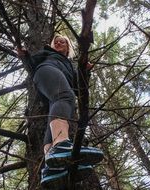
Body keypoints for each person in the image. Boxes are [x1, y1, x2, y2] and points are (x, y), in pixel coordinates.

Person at [17, 34, 103, 188]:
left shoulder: (69, 65)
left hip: (53, 89)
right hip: (46, 70)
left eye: (62, 41)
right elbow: (31, 65)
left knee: (63, 103)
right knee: (65, 96)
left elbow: (78, 87)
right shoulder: (47, 53)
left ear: (68, 46)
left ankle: (51, 167)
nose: (58, 43)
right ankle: (61, 144)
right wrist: (25, 56)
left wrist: (86, 71)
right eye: (55, 42)